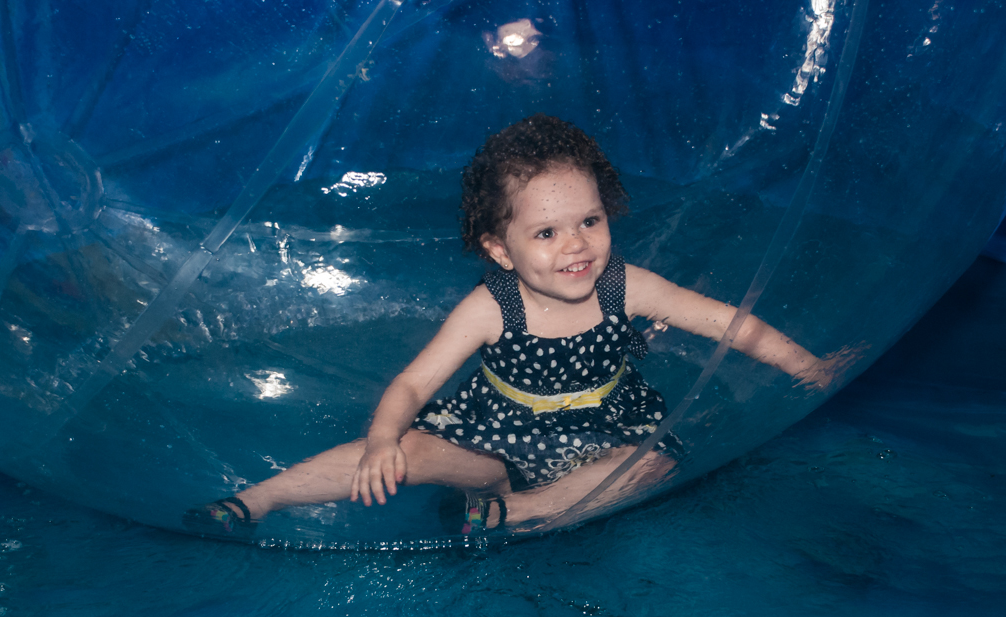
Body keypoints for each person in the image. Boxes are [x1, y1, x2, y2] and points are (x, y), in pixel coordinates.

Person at [184, 115, 842, 537]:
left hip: (601, 431)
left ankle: (513, 512)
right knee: (407, 452)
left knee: (650, 465)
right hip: (494, 437)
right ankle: (258, 498)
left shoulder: (626, 288)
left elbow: (729, 324)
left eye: (590, 221)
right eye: (547, 232)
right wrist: (384, 438)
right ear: (501, 250)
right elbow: (414, 385)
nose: (576, 246)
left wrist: (809, 369)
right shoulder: (493, 307)